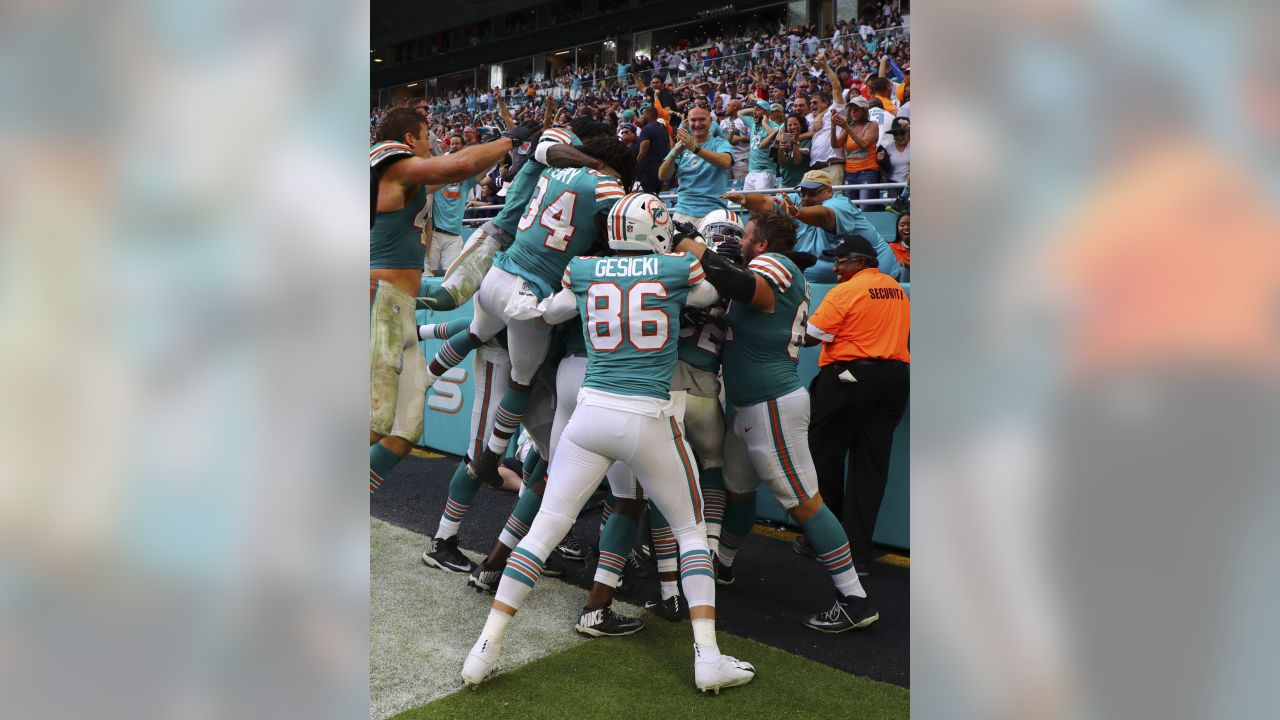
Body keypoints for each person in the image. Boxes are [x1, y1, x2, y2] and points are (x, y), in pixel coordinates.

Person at [462, 193, 756, 694]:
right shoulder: (675, 269)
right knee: (690, 531)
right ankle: (707, 656)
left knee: (543, 533)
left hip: (590, 415)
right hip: (648, 416)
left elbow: (549, 314)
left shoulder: (584, 269)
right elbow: (713, 296)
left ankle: (483, 649)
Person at [671, 211, 879, 634]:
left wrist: (690, 244)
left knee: (804, 500)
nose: (742, 242)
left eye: (747, 236)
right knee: (737, 490)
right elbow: (744, 308)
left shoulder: (775, 265)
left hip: (771, 402)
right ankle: (722, 565)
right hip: (751, 405)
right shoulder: (771, 269)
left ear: (762, 243)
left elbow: (744, 285)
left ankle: (854, 597)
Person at [369, 108, 536, 493]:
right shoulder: (391, 160)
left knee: (404, 430)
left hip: (398, 302)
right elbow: (458, 166)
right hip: (382, 301)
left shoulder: (398, 177)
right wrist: (511, 139)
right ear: (409, 139)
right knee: (376, 422)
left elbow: (453, 171)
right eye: (427, 136)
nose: (432, 144)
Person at [801, 234, 910, 576]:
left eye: (841, 260)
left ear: (860, 262)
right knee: (871, 469)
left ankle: (826, 542)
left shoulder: (846, 290)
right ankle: (859, 555)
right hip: (895, 380)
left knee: (819, 456)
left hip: (849, 378)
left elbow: (810, 336)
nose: (835, 268)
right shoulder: (897, 290)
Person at [723, 170, 899, 284]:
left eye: (812, 192)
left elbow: (825, 215)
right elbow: (766, 202)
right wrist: (746, 200)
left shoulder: (840, 204)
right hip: (833, 283)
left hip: (881, 277)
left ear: (829, 191)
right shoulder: (797, 203)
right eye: (803, 192)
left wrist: (798, 213)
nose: (806, 197)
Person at [658, 106, 733, 226]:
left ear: (710, 121)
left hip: (714, 213)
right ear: (688, 122)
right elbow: (663, 176)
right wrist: (674, 153)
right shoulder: (681, 145)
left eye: (702, 119)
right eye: (693, 120)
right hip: (683, 212)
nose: (697, 124)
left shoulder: (719, 143)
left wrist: (694, 148)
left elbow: (725, 162)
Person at [834, 97, 880, 206]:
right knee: (851, 210)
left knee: (865, 209)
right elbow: (835, 144)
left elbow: (864, 144)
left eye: (856, 109)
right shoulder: (849, 127)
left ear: (864, 110)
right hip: (850, 173)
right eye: (851, 109)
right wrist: (833, 127)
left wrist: (847, 127)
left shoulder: (872, 125)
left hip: (867, 172)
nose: (852, 112)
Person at [740, 100, 781, 191]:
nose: (754, 112)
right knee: (748, 202)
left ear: (766, 112)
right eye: (754, 110)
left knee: (763, 201)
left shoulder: (774, 125)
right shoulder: (752, 123)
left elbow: (775, 136)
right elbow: (740, 113)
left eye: (758, 109)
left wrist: (764, 123)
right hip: (751, 171)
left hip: (766, 171)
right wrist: (755, 109)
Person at [634, 105, 670, 193]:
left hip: (647, 172)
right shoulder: (663, 131)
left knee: (647, 198)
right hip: (660, 172)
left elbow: (642, 153)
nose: (642, 116)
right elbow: (669, 148)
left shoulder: (646, 129)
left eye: (643, 114)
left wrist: (634, 167)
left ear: (649, 115)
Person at [775, 113, 811, 189]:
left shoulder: (807, 140)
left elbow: (797, 161)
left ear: (801, 126)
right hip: (785, 183)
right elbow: (782, 162)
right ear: (786, 127)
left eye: (795, 124)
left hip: (802, 184)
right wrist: (781, 150)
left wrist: (795, 142)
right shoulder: (784, 140)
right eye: (790, 125)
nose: (793, 127)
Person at [888, 212, 909, 279]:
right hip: (900, 287)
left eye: (910, 224)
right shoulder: (891, 247)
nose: (906, 227)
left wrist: (906, 264)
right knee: (903, 270)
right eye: (902, 225)